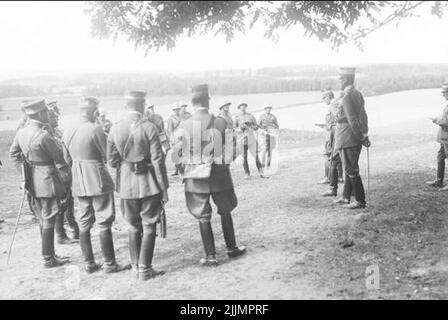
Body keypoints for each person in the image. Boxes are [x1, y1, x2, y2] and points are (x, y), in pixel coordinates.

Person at [175, 84, 246, 266]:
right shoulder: (221, 122)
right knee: (225, 211)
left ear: (192, 103)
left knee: (203, 215)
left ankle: (211, 256)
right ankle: (232, 248)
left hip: (195, 177)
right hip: (219, 174)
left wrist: (191, 166)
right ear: (208, 101)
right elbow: (232, 151)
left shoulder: (184, 124)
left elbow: (177, 156)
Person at [63, 97, 129, 274]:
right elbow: (107, 155)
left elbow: (66, 159)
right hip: (97, 178)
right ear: (93, 113)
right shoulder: (95, 128)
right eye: (97, 112)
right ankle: (109, 264)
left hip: (78, 179)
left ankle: (89, 264)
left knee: (83, 222)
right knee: (104, 220)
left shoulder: (68, 129)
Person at [107, 91, 169, 280]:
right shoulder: (149, 127)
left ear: (127, 107)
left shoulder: (115, 128)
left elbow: (111, 161)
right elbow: (158, 160)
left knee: (133, 226)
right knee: (149, 226)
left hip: (126, 185)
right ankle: (145, 269)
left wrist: (128, 165)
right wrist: (163, 188)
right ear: (142, 106)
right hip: (149, 183)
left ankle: (135, 266)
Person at [9, 99, 71, 268]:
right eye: (45, 112)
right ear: (41, 113)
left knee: (43, 217)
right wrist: (66, 181)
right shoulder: (44, 135)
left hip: (32, 181)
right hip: (48, 181)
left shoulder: (21, 132)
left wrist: (24, 173)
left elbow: (13, 154)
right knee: (50, 217)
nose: (47, 114)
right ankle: (48, 258)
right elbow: (59, 158)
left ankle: (48, 255)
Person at [333, 67, 370, 209]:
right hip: (353, 137)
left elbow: (352, 120)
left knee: (351, 169)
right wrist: (364, 134)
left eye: (341, 78)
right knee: (349, 168)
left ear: (347, 79)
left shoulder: (347, 96)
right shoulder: (358, 94)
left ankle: (360, 201)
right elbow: (363, 116)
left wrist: (361, 137)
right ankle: (345, 197)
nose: (339, 81)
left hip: (347, 137)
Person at [46, 101, 79, 244]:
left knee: (67, 203)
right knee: (61, 204)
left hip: (64, 171)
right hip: (58, 172)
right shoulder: (47, 135)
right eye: (54, 116)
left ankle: (71, 229)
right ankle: (61, 235)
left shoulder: (56, 132)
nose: (57, 118)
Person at [321, 90, 345, 197]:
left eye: (324, 98)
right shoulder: (334, 103)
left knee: (333, 160)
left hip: (336, 135)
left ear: (328, 97)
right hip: (336, 133)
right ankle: (335, 184)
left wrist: (330, 127)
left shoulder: (334, 104)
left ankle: (333, 187)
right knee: (336, 160)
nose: (323, 100)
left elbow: (337, 120)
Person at [426, 83, 448, 190]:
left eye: (445, 93)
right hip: (444, 137)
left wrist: (436, 120)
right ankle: (439, 180)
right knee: (440, 157)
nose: (443, 95)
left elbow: (446, 122)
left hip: (447, 137)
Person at [233, 102, 264, 179]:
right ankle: (247, 173)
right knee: (244, 158)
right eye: (241, 106)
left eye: (244, 106)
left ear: (246, 107)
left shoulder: (250, 116)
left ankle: (261, 172)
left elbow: (256, 126)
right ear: (239, 108)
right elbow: (233, 129)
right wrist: (241, 128)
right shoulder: (236, 117)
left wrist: (253, 127)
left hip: (251, 139)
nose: (243, 108)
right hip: (242, 140)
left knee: (256, 156)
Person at [257, 104, 279, 175]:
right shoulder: (261, 116)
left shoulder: (273, 117)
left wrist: (274, 128)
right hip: (264, 135)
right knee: (264, 150)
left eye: (269, 108)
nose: (268, 110)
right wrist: (262, 130)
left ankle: (268, 166)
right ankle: (262, 166)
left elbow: (277, 126)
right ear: (264, 109)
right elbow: (258, 126)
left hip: (272, 135)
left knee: (270, 151)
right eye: (267, 108)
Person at [167, 103, 184, 176]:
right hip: (175, 138)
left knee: (181, 154)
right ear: (173, 110)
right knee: (176, 154)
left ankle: (179, 170)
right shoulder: (171, 118)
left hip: (182, 137)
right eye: (175, 110)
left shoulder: (182, 117)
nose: (177, 111)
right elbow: (170, 130)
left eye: (178, 109)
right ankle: (178, 170)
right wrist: (172, 139)